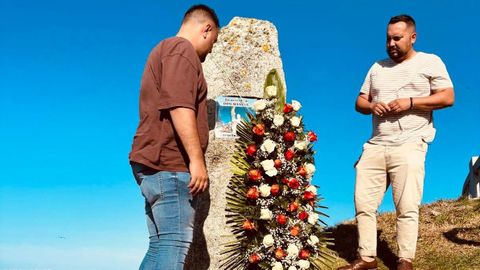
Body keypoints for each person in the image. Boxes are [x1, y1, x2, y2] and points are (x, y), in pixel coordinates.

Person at [338, 14, 454, 270]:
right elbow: (360, 102)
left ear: (412, 38)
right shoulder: (377, 67)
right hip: (376, 144)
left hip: (411, 143)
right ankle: (367, 258)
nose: (391, 43)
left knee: (407, 205)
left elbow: (447, 97)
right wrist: (372, 105)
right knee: (363, 204)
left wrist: (410, 102)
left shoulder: (430, 61)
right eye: (388, 38)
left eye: (397, 38)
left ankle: (404, 260)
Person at [128, 4, 219, 270]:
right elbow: (180, 106)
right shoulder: (182, 50)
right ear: (207, 29)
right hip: (169, 164)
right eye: (213, 42)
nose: (211, 50)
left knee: (159, 245)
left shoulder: (163, 50)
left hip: (151, 165)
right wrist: (196, 160)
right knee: (174, 243)